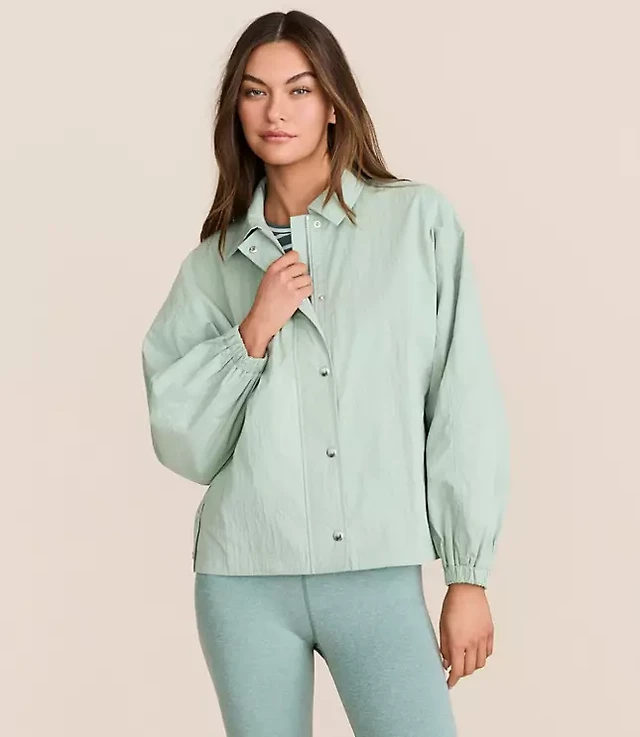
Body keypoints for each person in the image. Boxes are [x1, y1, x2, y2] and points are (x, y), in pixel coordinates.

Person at [141, 9, 510, 737]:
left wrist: (467, 574)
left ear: (334, 104)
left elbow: (462, 400)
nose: (275, 111)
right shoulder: (213, 264)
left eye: (299, 90)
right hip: (243, 581)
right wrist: (253, 330)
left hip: (377, 574)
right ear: (236, 110)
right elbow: (184, 444)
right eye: (255, 92)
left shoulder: (417, 224)